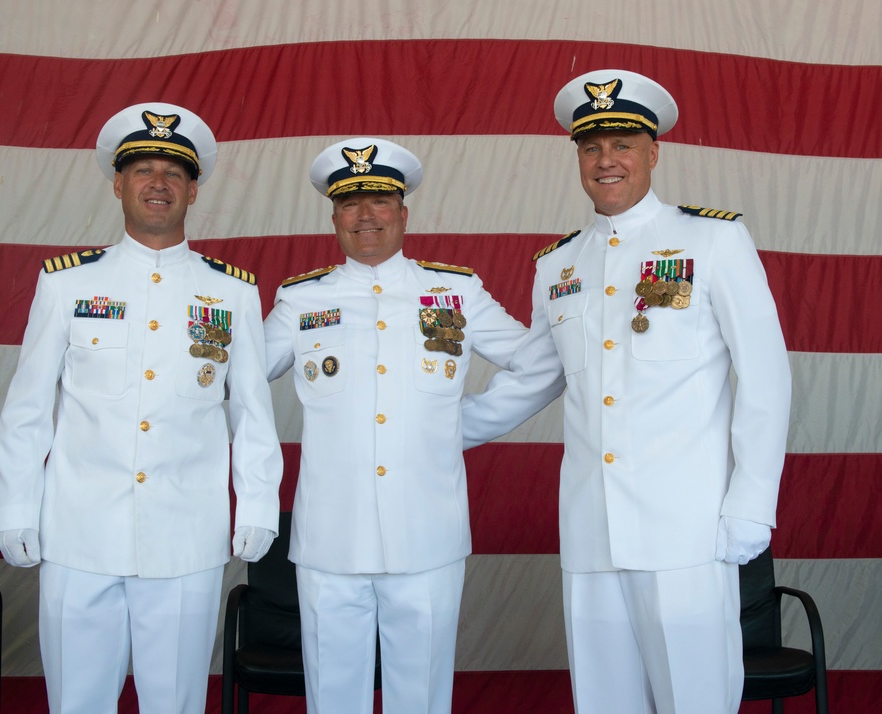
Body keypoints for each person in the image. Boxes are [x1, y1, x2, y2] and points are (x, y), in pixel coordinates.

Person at [460, 70, 792, 713]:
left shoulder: (712, 239)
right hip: (591, 528)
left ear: (653, 151)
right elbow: (536, 376)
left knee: (693, 700)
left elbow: (766, 375)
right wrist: (435, 432)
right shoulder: (557, 265)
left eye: (623, 144)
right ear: (578, 157)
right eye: (591, 148)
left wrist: (753, 500)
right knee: (606, 703)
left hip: (686, 528)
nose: (606, 160)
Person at [0, 102, 283, 714]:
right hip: (78, 534)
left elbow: (252, 411)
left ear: (194, 190)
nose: (158, 183)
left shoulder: (232, 292)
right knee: (76, 703)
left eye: (173, 173)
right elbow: (27, 408)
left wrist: (257, 502)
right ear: (118, 183)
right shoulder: (66, 283)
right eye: (144, 169)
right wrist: (14, 508)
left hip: (186, 538)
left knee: (174, 705)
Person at [263, 138, 528, 714]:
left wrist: (461, 425)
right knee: (333, 699)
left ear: (403, 213)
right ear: (334, 216)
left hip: (427, 535)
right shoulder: (302, 300)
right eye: (351, 202)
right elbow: (238, 381)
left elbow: (541, 363)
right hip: (331, 541)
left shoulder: (457, 292)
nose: (366, 215)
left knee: (423, 700)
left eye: (380, 200)